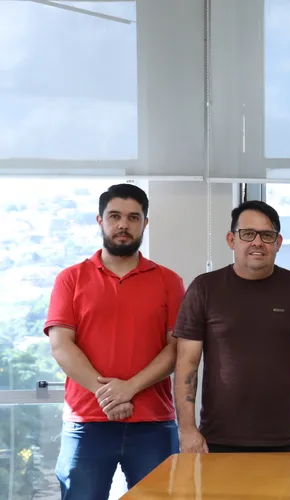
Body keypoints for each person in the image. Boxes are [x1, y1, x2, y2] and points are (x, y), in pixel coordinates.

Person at [45, 184, 184, 498]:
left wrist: (129, 388)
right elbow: (61, 346)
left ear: (145, 223)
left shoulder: (168, 281)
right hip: (86, 423)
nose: (124, 224)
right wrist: (106, 394)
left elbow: (176, 348)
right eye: (115, 216)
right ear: (100, 221)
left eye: (134, 217)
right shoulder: (71, 278)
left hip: (153, 423)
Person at [173, 201, 290, 453]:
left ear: (278, 243)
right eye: (248, 234)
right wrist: (187, 429)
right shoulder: (204, 288)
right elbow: (186, 363)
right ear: (231, 240)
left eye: (267, 235)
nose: (257, 242)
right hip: (217, 439)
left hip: (286, 440)